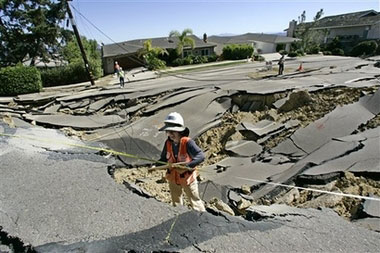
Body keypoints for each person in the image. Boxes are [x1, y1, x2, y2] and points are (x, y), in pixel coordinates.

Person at [157, 112, 206, 212]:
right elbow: (163, 159)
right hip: (173, 179)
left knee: (195, 202)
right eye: (168, 132)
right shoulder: (168, 143)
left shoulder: (188, 142)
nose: (170, 135)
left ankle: (203, 220)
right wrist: (155, 166)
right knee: (176, 203)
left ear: (179, 132)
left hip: (188, 179)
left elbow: (201, 156)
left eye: (172, 132)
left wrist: (187, 166)